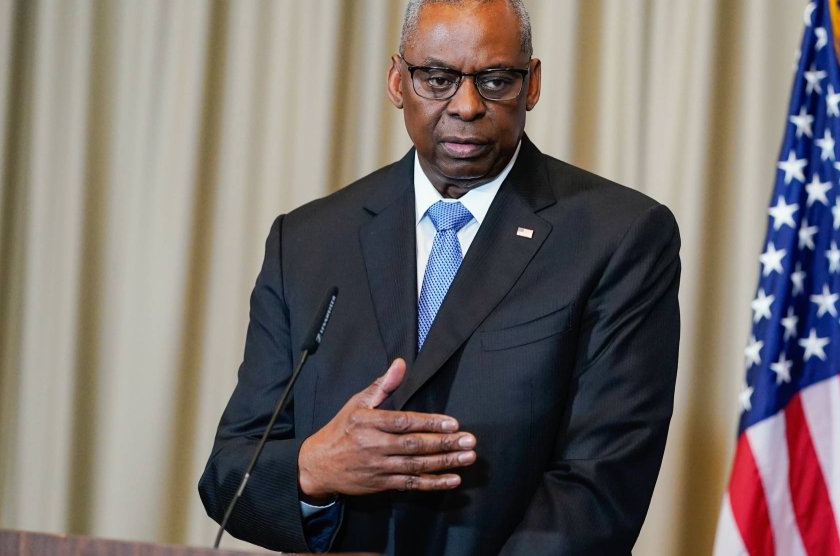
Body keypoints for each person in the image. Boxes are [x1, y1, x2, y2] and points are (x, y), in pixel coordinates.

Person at [198, 0, 681, 554]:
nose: (467, 106)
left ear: (532, 84)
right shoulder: (306, 242)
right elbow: (230, 475)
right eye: (437, 78)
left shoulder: (619, 236)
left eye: (496, 80)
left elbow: (599, 487)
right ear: (397, 81)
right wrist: (315, 468)